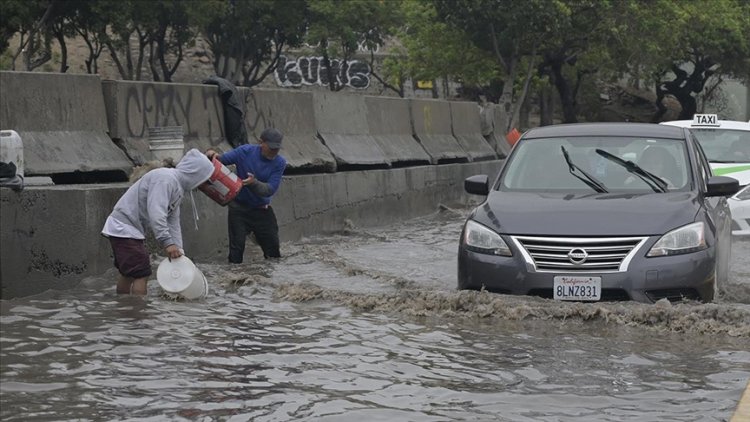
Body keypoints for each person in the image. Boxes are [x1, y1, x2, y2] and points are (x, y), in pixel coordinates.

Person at [101, 148, 215, 295]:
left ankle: (124, 308)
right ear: (194, 174)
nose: (204, 184)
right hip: (124, 227)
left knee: (129, 273)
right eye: (204, 179)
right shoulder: (165, 179)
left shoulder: (177, 189)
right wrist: (167, 242)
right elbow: (157, 213)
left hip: (128, 228)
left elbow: (173, 221)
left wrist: (179, 250)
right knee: (141, 273)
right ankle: (138, 312)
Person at [206, 128, 287, 263]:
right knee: (236, 251)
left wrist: (253, 183)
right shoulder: (245, 151)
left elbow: (270, 189)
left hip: (262, 210)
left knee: (273, 254)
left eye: (277, 149)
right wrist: (211, 154)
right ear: (261, 143)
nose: (274, 152)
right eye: (271, 148)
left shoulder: (279, 162)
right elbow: (221, 161)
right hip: (238, 208)